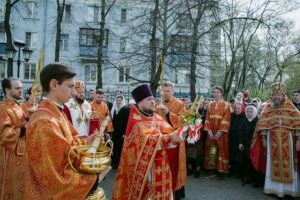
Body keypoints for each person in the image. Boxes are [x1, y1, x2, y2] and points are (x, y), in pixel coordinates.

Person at [24, 63, 103, 199]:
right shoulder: (44, 121)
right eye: (70, 86)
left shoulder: (55, 112)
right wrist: (94, 179)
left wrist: (86, 142)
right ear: (54, 84)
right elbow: (53, 175)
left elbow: (68, 145)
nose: (74, 92)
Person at [112, 84, 183, 200]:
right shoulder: (135, 121)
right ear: (139, 103)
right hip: (147, 172)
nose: (153, 102)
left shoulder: (156, 117)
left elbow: (169, 133)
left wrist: (180, 134)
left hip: (163, 167)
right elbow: (146, 140)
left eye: (153, 98)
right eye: (149, 99)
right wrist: (170, 137)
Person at [250, 82, 300, 198]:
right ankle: (274, 189)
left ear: (283, 95)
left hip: (288, 141)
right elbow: (262, 124)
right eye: (275, 94)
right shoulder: (268, 107)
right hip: (271, 141)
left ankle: (289, 190)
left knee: (289, 165)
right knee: (272, 164)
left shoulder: (291, 108)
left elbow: (298, 123)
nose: (276, 96)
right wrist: (262, 138)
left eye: (279, 94)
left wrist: (298, 140)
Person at [156, 81, 187, 199]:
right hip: (162, 141)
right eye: (164, 91)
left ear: (173, 91)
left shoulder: (179, 104)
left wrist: (169, 114)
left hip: (175, 142)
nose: (166, 93)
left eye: (168, 91)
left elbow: (183, 121)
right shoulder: (158, 104)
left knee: (175, 167)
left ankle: (176, 192)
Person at [0, 77, 28, 199]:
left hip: (22, 152)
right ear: (7, 90)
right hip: (9, 154)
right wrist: (23, 129)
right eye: (17, 88)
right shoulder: (2, 108)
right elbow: (4, 134)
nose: (21, 90)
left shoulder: (19, 106)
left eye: (21, 88)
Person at [204, 86, 231, 180]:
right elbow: (207, 118)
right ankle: (212, 169)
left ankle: (221, 171)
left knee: (221, 150)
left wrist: (220, 132)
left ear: (221, 93)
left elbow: (226, 119)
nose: (216, 94)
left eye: (218, 92)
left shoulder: (226, 105)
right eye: (214, 92)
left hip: (221, 133)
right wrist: (209, 131)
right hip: (211, 132)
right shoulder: (210, 105)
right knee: (211, 149)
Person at [239, 105, 262, 187]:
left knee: (254, 162)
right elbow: (241, 132)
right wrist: (241, 143)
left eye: (251, 112)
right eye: (247, 112)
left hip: (255, 145)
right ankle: (248, 177)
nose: (249, 113)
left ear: (254, 112)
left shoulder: (257, 121)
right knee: (246, 161)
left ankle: (256, 180)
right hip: (245, 145)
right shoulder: (245, 120)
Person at [111, 95, 129, 169]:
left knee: (120, 148)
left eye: (120, 100)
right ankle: (114, 162)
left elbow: (126, 122)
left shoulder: (125, 109)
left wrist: (125, 133)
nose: (118, 102)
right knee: (114, 147)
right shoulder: (114, 109)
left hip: (121, 132)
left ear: (122, 101)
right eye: (117, 100)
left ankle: (119, 163)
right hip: (115, 132)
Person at [229, 102, 246, 177]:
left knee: (239, 156)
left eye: (238, 108)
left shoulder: (245, 117)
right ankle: (232, 170)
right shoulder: (231, 115)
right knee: (232, 155)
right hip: (232, 138)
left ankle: (240, 172)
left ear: (242, 109)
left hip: (240, 139)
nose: (237, 110)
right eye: (236, 108)